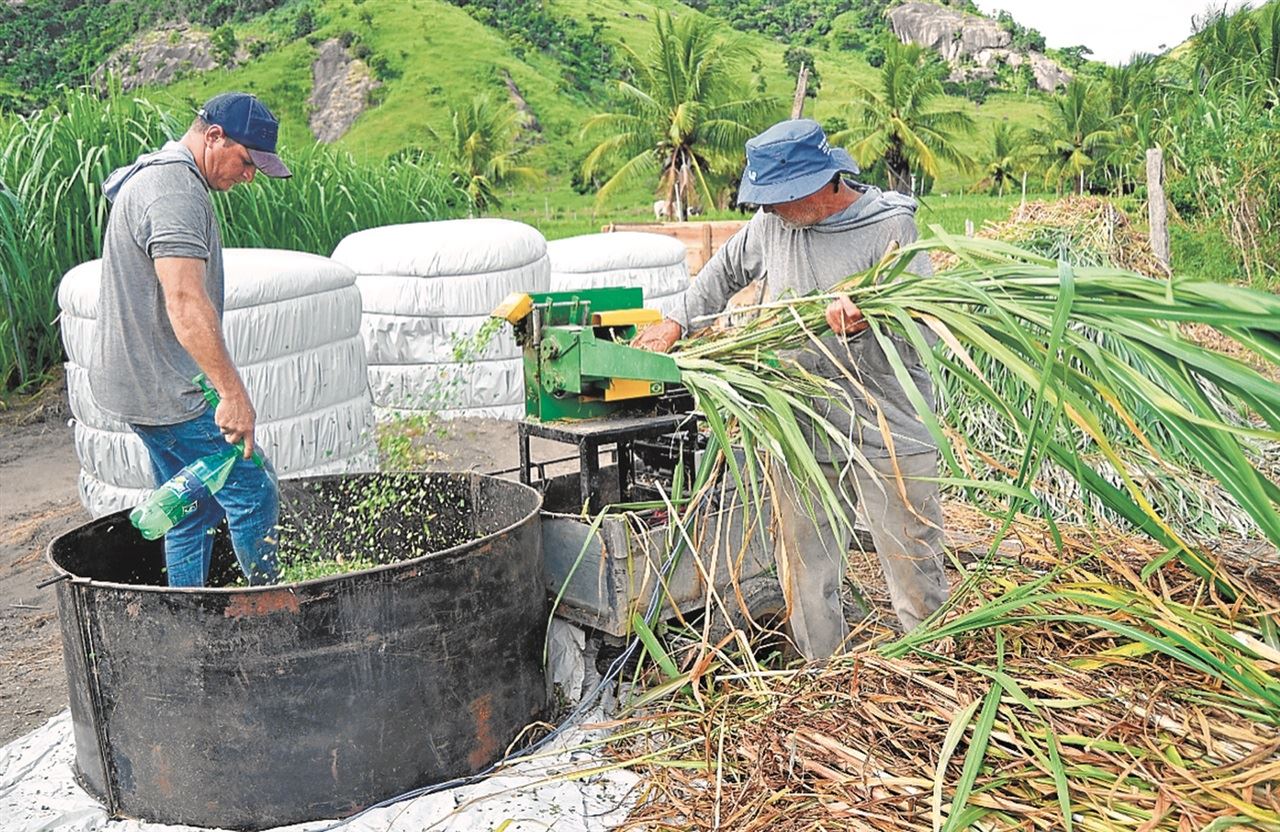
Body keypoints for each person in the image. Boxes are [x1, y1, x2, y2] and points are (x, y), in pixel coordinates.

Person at [636, 118, 949, 660]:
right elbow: (723, 271)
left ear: (827, 180)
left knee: (913, 562)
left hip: (887, 425)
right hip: (802, 420)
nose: (773, 209)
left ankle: (928, 672)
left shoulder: (889, 227)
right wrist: (677, 321)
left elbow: (925, 324)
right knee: (806, 566)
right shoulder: (772, 224)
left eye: (782, 197)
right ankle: (820, 674)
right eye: (767, 199)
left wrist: (871, 318)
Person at [90, 92, 293, 588]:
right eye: (247, 162)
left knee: (189, 507)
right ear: (214, 136)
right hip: (167, 391)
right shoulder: (174, 191)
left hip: (136, 384)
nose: (248, 177)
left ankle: (189, 614)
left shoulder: (158, 174)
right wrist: (232, 394)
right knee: (252, 491)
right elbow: (185, 301)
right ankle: (277, 612)